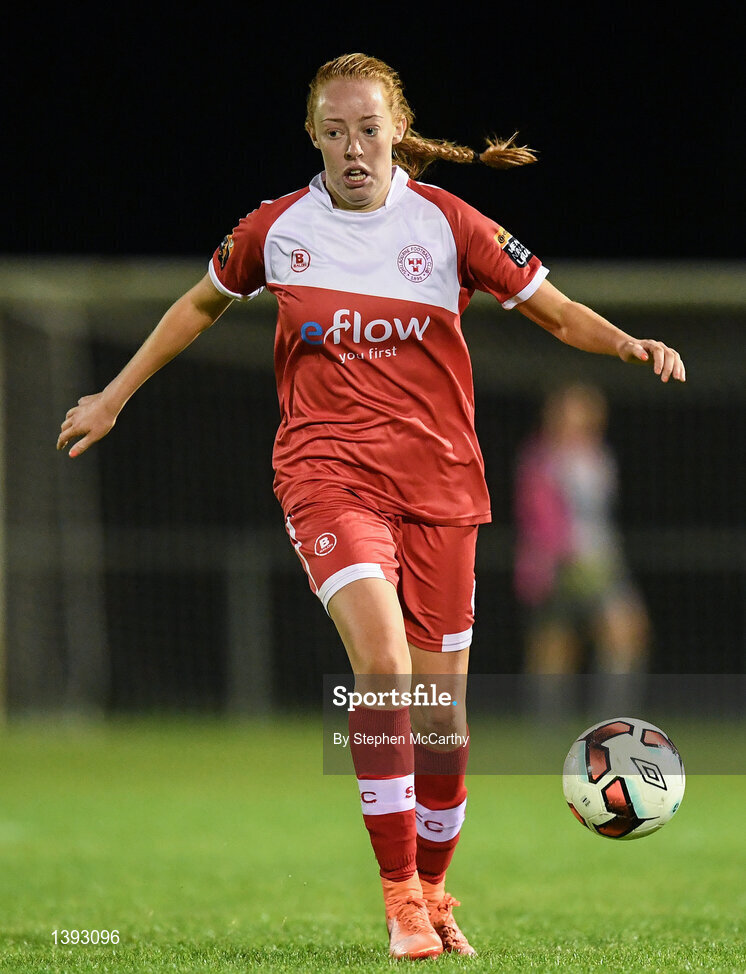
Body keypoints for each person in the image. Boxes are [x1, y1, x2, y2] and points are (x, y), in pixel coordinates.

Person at [57, 53, 686, 959]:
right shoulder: (276, 231)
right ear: (312, 135)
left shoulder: (447, 222)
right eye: (336, 130)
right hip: (327, 476)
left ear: (397, 131)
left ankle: (434, 894)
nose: (354, 149)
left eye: (370, 129)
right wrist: (114, 395)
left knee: (441, 718)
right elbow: (200, 303)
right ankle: (397, 896)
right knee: (384, 669)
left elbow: (550, 310)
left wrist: (629, 345)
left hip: (440, 489)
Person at [514, 383, 651, 720]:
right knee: (554, 646)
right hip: (560, 562)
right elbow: (536, 516)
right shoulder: (542, 458)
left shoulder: (598, 454)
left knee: (624, 632)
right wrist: (554, 557)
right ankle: (548, 724)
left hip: (600, 559)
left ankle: (614, 718)